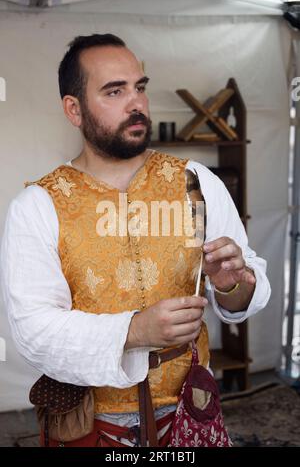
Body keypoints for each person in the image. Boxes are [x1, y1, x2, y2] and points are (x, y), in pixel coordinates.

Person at [0, 34, 271, 447]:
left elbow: (239, 297)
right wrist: (134, 330)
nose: (137, 103)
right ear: (74, 109)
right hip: (90, 417)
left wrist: (234, 282)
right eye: (114, 91)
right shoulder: (38, 205)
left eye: (139, 87)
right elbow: (33, 330)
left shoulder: (195, 182)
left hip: (190, 405)